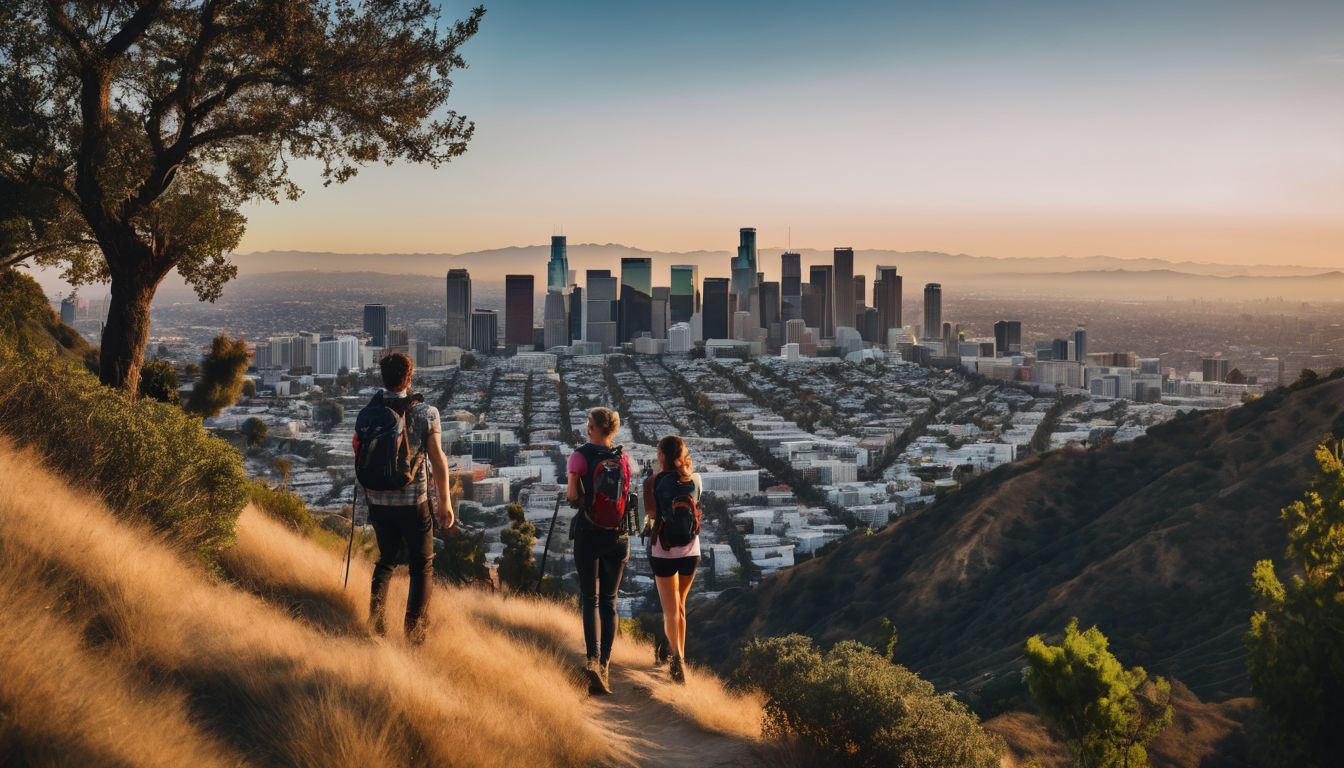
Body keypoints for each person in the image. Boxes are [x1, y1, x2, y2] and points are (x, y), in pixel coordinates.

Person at [353, 352, 454, 644]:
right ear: (409, 377)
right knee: (421, 565)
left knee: (386, 559)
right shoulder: (426, 412)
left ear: (383, 377)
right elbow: (437, 459)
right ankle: (415, 633)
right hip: (413, 502)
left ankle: (376, 624)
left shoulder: (369, 411)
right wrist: (444, 501)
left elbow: (360, 452)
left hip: (378, 500)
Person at [567, 406, 635, 695]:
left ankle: (592, 661)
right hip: (618, 537)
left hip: (588, 534)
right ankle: (605, 664)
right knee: (610, 601)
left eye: (588, 422)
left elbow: (572, 496)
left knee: (590, 599)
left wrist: (581, 497)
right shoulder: (624, 458)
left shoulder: (580, 456)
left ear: (593, 427)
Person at [643, 435, 701, 684]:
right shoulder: (696, 479)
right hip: (690, 551)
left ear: (662, 456)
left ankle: (676, 659)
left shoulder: (652, 481)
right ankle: (682, 658)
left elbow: (651, 514)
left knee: (669, 611)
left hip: (663, 551)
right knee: (681, 606)